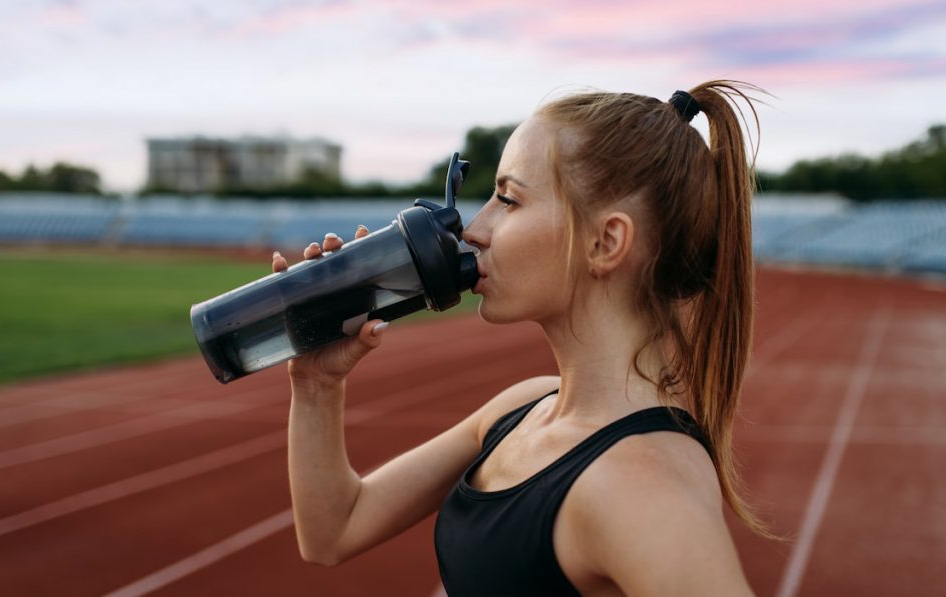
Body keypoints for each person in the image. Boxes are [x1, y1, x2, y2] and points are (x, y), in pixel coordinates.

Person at [271, 80, 766, 595]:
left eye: (507, 199)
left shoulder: (641, 484)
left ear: (606, 242)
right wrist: (317, 385)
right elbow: (334, 530)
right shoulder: (522, 409)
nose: (474, 229)